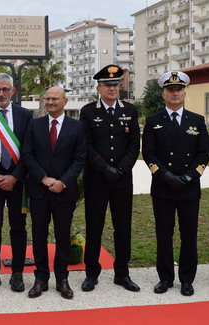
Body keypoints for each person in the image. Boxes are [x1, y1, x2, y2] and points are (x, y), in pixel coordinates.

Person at [142, 71, 209, 297]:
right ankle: (165, 278)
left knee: (189, 234)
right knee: (164, 234)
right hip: (163, 188)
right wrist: (167, 177)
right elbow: (149, 154)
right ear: (163, 94)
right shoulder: (153, 121)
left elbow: (203, 154)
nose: (175, 93)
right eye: (170, 90)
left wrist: (189, 177)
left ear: (184, 93)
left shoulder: (197, 120)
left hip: (189, 188)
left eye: (178, 89)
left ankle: (187, 279)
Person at [79, 64, 141, 293]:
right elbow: (86, 145)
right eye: (108, 84)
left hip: (122, 180)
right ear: (99, 87)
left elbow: (135, 144)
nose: (113, 88)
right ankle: (91, 273)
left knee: (122, 227)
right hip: (97, 179)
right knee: (94, 227)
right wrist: (105, 168)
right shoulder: (88, 112)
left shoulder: (130, 111)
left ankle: (122, 273)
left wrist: (122, 168)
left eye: (116, 84)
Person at [22, 86, 85, 300]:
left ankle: (62, 279)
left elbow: (79, 158)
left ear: (65, 101)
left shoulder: (77, 127)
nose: (50, 102)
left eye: (54, 99)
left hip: (64, 192)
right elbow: (27, 154)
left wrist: (63, 182)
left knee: (62, 236)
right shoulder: (34, 125)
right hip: (39, 191)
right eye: (47, 98)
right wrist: (43, 178)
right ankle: (41, 278)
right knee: (38, 235)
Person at [0, 73, 32, 293]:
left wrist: (15, 176)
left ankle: (18, 273)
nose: (1, 93)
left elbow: (29, 150)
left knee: (18, 228)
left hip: (17, 182)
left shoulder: (25, 115)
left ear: (13, 91)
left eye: (5, 89)